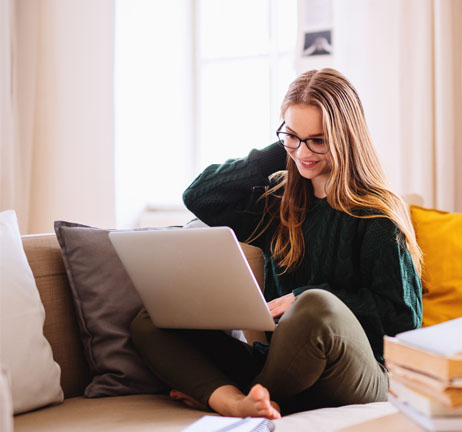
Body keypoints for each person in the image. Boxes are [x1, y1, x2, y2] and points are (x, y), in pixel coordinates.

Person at [129, 68, 423, 419]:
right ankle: (239, 401)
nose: (304, 153)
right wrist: (282, 149)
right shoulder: (277, 203)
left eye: (318, 140)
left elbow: (404, 320)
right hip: (281, 363)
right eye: (292, 137)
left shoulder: (377, 216)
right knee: (152, 320)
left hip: (360, 372)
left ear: (346, 137)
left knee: (315, 306)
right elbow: (200, 195)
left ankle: (248, 396)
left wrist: (305, 297)